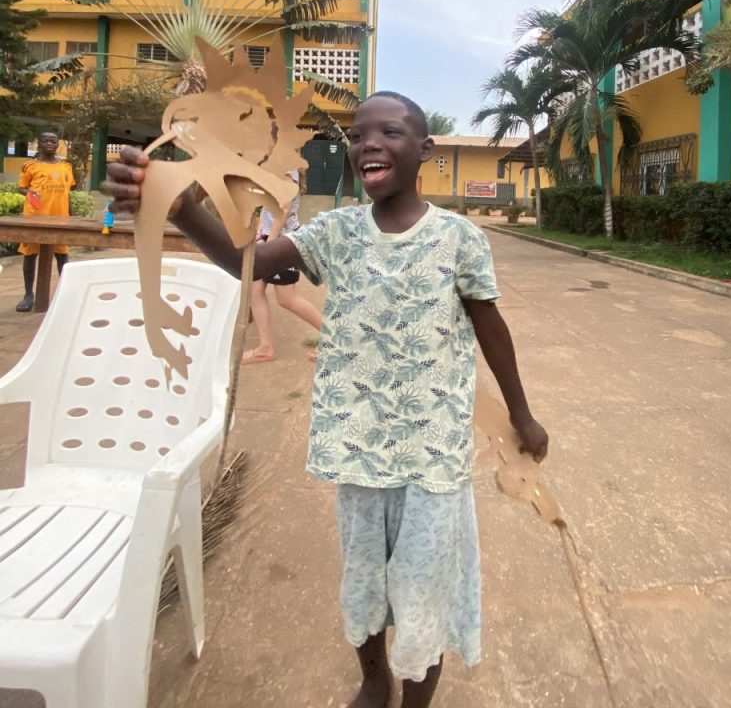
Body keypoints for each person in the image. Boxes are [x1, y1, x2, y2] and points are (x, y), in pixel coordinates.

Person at [104, 91, 548, 708]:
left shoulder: (459, 239)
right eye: (358, 135)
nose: (369, 144)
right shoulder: (336, 232)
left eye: (389, 132)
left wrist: (521, 413)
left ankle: (415, 696)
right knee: (364, 579)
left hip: (432, 456)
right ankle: (375, 679)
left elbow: (490, 327)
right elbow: (245, 262)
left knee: (423, 589)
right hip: (358, 449)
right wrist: (180, 206)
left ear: (425, 150)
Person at [244, 169, 323, 363]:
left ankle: (333, 338)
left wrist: (269, 246)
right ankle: (266, 347)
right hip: (269, 238)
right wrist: (260, 235)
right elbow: (265, 207)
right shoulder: (275, 166)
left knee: (287, 299)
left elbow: (283, 210)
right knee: (256, 289)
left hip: (283, 242)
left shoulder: (288, 171)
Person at [16, 129, 75, 313]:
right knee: (30, 256)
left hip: (60, 219)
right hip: (34, 218)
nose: (50, 144)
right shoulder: (30, 166)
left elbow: (67, 193)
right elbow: (22, 187)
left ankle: (65, 295)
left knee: (62, 256)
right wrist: (30, 194)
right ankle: (28, 295)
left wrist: (72, 217)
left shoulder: (66, 167)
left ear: (58, 144)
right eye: (46, 141)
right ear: (39, 143)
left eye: (53, 141)